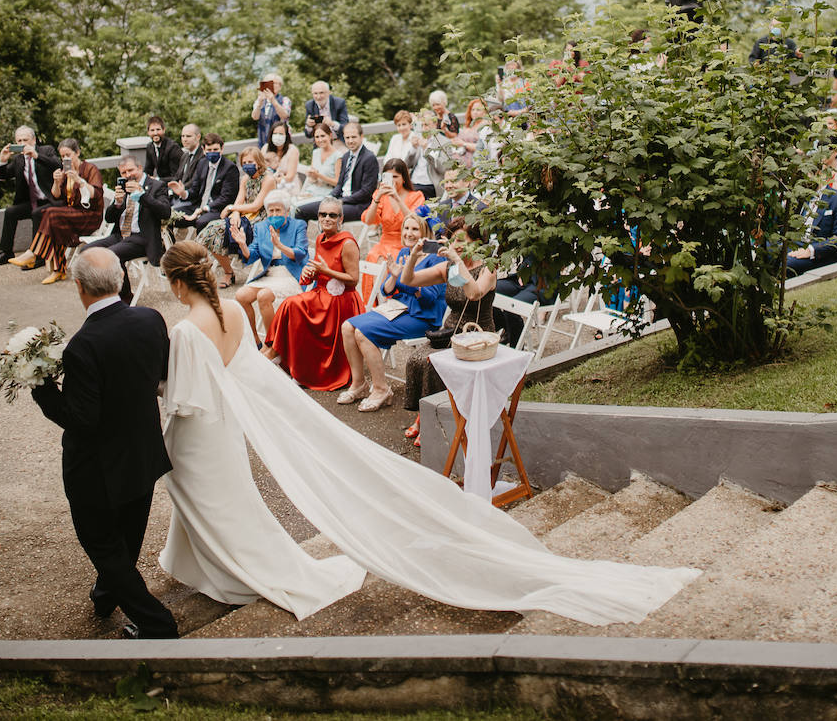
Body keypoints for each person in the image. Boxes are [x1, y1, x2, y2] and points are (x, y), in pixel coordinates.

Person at [156, 240, 699, 625]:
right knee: (225, 502)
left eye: (170, 283)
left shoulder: (185, 329)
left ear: (180, 284)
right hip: (222, 429)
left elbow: (183, 396)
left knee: (214, 499)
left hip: (203, 431)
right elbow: (240, 369)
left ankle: (233, 572)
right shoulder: (230, 309)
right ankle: (196, 562)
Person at [30, 246, 178, 639]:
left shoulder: (83, 345)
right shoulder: (151, 319)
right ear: (120, 280)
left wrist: (42, 388)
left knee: (105, 547)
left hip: (96, 469)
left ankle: (156, 624)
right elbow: (158, 375)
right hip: (142, 453)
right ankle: (105, 595)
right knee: (126, 539)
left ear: (78, 286)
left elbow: (82, 420)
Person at [400, 220, 499, 434]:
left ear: (478, 243)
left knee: (433, 365)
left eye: (463, 241)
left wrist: (456, 259)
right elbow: (408, 280)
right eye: (453, 241)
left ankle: (434, 420)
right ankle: (425, 414)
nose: (458, 245)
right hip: (450, 331)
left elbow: (474, 294)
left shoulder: (489, 267)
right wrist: (415, 256)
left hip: (477, 333)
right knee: (416, 360)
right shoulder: (449, 267)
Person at [339, 213, 445, 412]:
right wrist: (393, 275)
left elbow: (429, 298)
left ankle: (381, 389)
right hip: (399, 308)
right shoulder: (404, 252)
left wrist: (406, 279)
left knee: (363, 333)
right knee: (347, 327)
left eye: (414, 229)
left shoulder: (434, 259)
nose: (409, 233)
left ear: (424, 233)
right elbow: (387, 291)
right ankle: (359, 383)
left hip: (422, 316)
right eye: (406, 228)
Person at [265, 197, 365, 390]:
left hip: (341, 300)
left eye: (332, 215)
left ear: (340, 219)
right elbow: (318, 269)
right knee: (291, 305)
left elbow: (353, 280)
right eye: (323, 214)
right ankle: (285, 358)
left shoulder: (348, 243)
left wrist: (325, 271)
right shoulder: (320, 238)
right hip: (321, 293)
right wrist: (309, 272)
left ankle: (286, 360)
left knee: (295, 306)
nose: (327, 218)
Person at [86, 155, 172, 303]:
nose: (128, 175)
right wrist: (118, 203)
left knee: (112, 255)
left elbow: (165, 212)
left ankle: (125, 298)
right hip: (121, 234)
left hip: (142, 237)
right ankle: (101, 292)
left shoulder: (156, 186)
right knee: (87, 252)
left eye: (130, 170)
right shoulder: (124, 186)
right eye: (123, 173)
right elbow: (109, 218)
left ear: (140, 168)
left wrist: (142, 195)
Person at [228, 190, 308, 345]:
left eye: (278, 210)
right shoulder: (261, 227)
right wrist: (243, 245)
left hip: (291, 274)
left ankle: (273, 343)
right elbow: (252, 255)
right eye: (271, 210)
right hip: (271, 273)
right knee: (241, 295)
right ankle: (256, 341)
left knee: (264, 296)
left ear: (287, 211)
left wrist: (280, 246)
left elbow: (301, 253)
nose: (274, 213)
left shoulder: (298, 225)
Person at [25, 138, 105, 284]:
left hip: (90, 215)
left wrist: (79, 180)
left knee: (51, 214)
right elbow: (56, 195)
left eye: (68, 155)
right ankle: (59, 271)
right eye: (62, 156)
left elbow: (97, 194)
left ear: (77, 153)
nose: (65, 159)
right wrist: (56, 181)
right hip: (73, 213)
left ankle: (34, 252)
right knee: (54, 222)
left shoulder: (89, 169)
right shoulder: (65, 172)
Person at [0, 126, 59, 267]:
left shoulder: (46, 150)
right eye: (19, 140)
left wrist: (36, 156)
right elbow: (2, 175)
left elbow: (57, 165)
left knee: (36, 213)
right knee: (10, 212)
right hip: (33, 202)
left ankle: (38, 255)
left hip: (52, 200)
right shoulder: (19, 159)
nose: (22, 143)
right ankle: (6, 252)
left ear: (33, 140)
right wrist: (2, 161)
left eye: (25, 140)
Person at [197, 146, 275, 269]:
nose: (247, 165)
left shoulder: (268, 179)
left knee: (221, 231)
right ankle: (228, 271)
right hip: (244, 215)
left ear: (259, 162)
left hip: (261, 218)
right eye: (244, 163)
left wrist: (230, 208)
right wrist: (235, 213)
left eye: (250, 162)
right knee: (211, 230)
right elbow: (239, 201)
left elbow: (256, 206)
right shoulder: (245, 179)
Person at [360, 158, 426, 298]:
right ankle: (377, 300)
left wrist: (396, 197)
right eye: (388, 176)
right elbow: (369, 220)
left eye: (395, 176)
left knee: (390, 262)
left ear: (403, 178)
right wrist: (377, 198)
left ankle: (390, 299)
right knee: (373, 256)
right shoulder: (381, 196)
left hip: (406, 243)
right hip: (384, 242)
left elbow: (416, 221)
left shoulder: (416, 196)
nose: (393, 180)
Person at [295, 122, 378, 223]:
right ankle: (302, 239)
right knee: (300, 211)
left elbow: (366, 191)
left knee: (328, 215)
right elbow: (339, 185)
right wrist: (330, 197)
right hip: (340, 201)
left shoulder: (369, 158)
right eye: (347, 138)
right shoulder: (346, 156)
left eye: (353, 137)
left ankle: (327, 238)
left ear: (361, 137)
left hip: (358, 205)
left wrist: (342, 201)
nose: (350, 141)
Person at [785, 183, 837, 275]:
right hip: (794, 246)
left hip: (820, 255)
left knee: (785, 264)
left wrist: (811, 250)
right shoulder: (799, 197)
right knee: (764, 255)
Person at [295, 121, 344, 212]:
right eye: (317, 137)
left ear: (330, 135)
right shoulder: (316, 152)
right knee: (291, 203)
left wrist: (318, 175)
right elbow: (314, 178)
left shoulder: (338, 156)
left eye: (323, 136)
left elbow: (337, 182)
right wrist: (311, 175)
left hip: (327, 193)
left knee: (298, 208)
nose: (320, 139)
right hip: (312, 189)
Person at [168, 124, 204, 210]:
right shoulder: (185, 155)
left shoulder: (203, 156)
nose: (184, 139)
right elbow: (177, 176)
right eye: (183, 136)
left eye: (188, 136)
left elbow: (195, 182)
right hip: (178, 195)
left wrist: (178, 190)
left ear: (198, 137)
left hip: (193, 199)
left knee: (169, 213)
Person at [251, 72, 291, 148]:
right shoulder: (260, 100)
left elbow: (285, 116)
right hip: (263, 138)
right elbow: (255, 117)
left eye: (276, 83)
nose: (274, 85)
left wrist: (273, 100)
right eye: (271, 83)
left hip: (280, 139)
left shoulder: (284, 100)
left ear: (280, 86)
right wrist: (260, 102)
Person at [263, 120, 300, 197]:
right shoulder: (265, 148)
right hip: (268, 187)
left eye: (281, 134)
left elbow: (289, 177)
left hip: (288, 188)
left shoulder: (292, 150)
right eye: (275, 133)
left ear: (286, 135)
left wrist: (271, 180)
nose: (278, 136)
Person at [143, 115, 182, 181]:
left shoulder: (173, 147)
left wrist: (156, 180)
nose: (155, 133)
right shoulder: (150, 147)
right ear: (148, 132)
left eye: (158, 129)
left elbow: (176, 176)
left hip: (175, 184)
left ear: (163, 130)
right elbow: (148, 170)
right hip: (161, 183)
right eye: (152, 130)